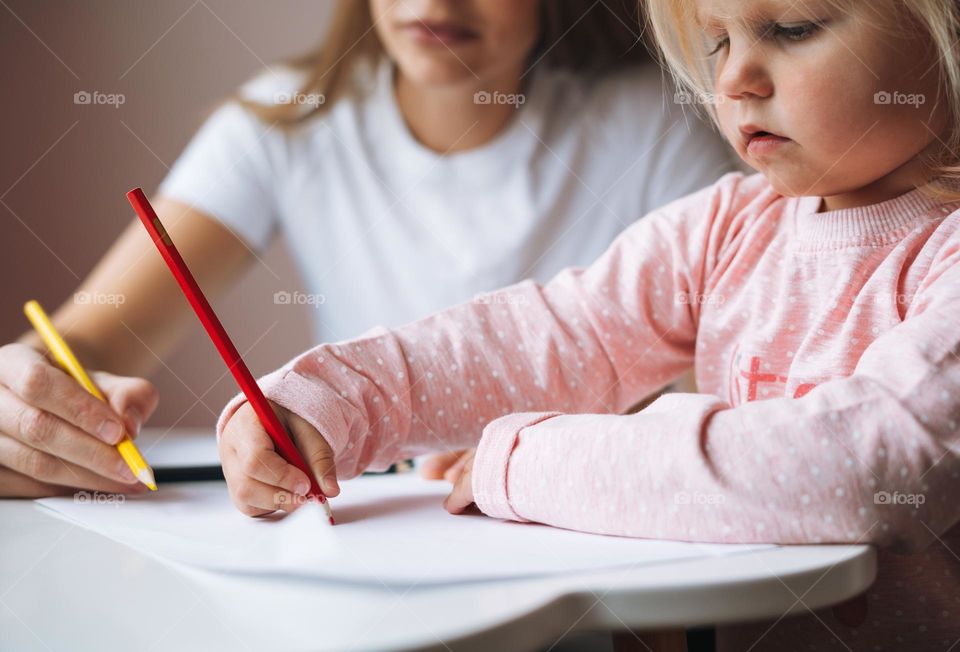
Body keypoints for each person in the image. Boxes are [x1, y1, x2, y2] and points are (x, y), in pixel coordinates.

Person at [219, 0, 960, 649]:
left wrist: (530, 464)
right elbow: (554, 335)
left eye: (792, 29)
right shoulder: (727, 226)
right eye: (718, 43)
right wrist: (331, 400)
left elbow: (860, 470)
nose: (735, 81)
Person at [0, 0, 734, 497]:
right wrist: (25, 399)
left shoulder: (651, 126)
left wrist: (547, 461)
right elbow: (88, 338)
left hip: (578, 537)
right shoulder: (286, 120)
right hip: (362, 532)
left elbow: (734, 391)